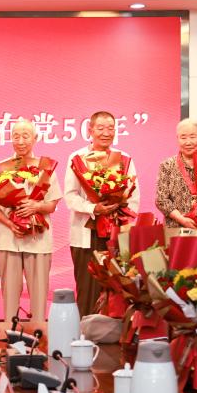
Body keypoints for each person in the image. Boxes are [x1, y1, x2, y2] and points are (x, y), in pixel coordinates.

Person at [0, 118, 62, 322]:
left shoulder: (46, 167)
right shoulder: (0, 168)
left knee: (39, 293)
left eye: (25, 136)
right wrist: (10, 224)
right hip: (9, 239)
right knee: (10, 294)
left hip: (39, 240)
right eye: (16, 136)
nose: (20, 141)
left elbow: (52, 204)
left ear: (35, 138)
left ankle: (39, 332)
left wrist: (36, 206)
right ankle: (10, 332)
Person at [64, 111, 140, 317]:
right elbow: (70, 196)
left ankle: (115, 331)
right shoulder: (77, 158)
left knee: (118, 287)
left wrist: (120, 211)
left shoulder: (124, 159)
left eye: (110, 128)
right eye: (100, 128)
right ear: (90, 130)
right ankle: (85, 332)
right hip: (86, 233)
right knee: (87, 289)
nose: (106, 133)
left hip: (116, 233)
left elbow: (134, 196)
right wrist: (93, 208)